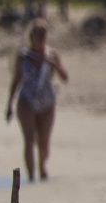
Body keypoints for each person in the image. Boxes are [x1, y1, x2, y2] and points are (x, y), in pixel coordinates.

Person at [6, 20, 70, 182]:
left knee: (44, 142)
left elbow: (65, 77)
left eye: (44, 34)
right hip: (26, 100)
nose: (41, 37)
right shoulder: (23, 56)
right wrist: (9, 104)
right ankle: (31, 176)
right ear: (31, 36)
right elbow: (16, 80)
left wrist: (55, 65)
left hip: (47, 102)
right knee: (29, 139)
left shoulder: (52, 55)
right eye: (38, 34)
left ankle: (42, 166)